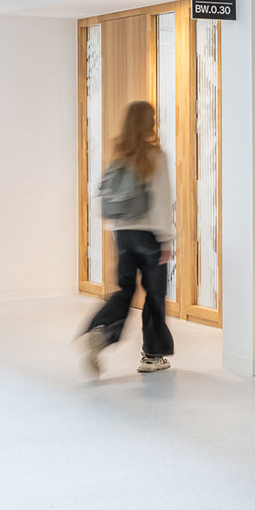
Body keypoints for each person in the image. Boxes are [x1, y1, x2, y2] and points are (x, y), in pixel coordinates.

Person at [80, 100, 175, 377]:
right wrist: (166, 241)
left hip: (121, 233)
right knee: (154, 295)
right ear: (150, 122)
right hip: (149, 235)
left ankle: (102, 331)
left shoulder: (120, 155)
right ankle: (152, 356)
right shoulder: (156, 156)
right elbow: (161, 201)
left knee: (124, 289)